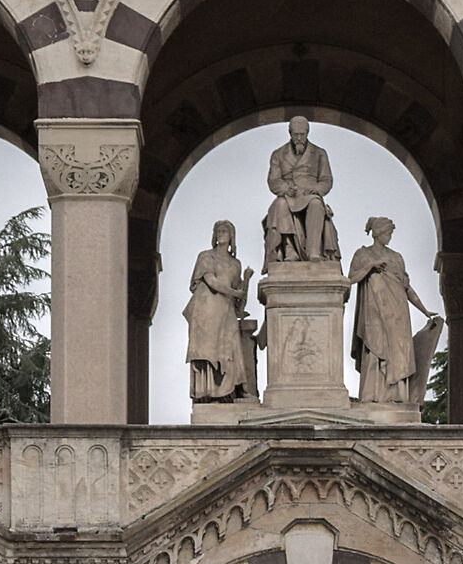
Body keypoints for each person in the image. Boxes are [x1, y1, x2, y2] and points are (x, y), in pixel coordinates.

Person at [347, 216, 436, 406]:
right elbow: (351, 279)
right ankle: (372, 394)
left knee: (398, 352)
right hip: (374, 311)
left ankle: (397, 395)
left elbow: (407, 289)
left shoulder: (396, 258)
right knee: (375, 347)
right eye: (387, 233)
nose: (389, 237)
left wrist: (425, 311)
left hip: (397, 313)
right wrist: (370, 267)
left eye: (391, 234)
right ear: (377, 233)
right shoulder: (362, 255)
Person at [183, 220, 253, 402]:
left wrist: (246, 280)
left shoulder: (235, 264)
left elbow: (240, 298)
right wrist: (235, 292)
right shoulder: (206, 257)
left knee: (230, 348)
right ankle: (207, 393)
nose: (221, 233)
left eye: (225, 231)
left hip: (226, 311)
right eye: (218, 231)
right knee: (207, 351)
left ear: (232, 237)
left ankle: (230, 391)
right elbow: (211, 281)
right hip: (206, 310)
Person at [263, 117, 337, 265]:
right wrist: (285, 188)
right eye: (296, 134)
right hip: (289, 194)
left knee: (316, 204)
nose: (299, 138)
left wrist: (316, 189)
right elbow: (273, 180)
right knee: (280, 204)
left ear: (307, 133)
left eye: (302, 134)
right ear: (290, 133)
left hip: (310, 194)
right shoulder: (278, 154)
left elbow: (326, 180)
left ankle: (313, 250)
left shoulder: (319, 153)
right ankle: (290, 249)